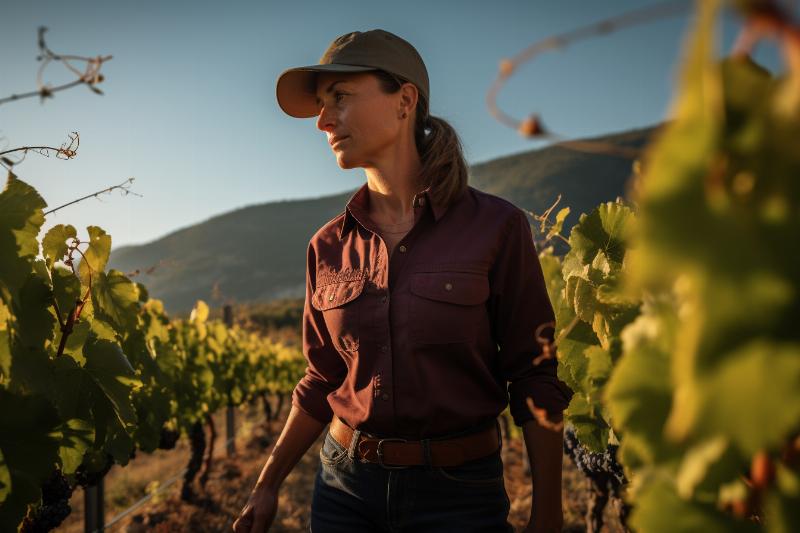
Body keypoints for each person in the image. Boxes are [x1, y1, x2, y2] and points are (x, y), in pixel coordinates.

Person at [232, 28, 573, 533]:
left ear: (405, 100)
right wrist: (267, 485)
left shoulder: (497, 228)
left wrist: (548, 511)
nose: (323, 121)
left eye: (340, 98)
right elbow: (321, 379)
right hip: (344, 490)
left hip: (460, 497)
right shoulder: (326, 246)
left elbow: (533, 374)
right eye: (322, 105)